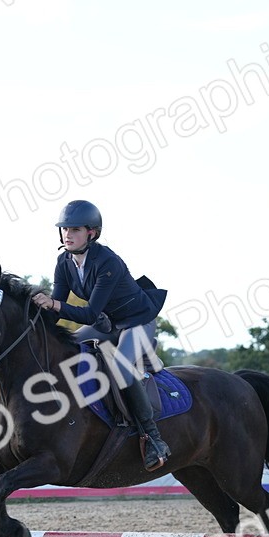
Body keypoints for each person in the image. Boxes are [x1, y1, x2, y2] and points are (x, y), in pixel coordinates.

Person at [32, 200, 171, 471]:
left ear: (92, 233)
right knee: (66, 345)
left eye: (75, 229)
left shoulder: (107, 261)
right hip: (108, 324)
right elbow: (57, 309)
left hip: (137, 321)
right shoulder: (64, 262)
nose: (67, 235)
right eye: (64, 229)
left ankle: (153, 437)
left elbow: (88, 312)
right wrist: (33, 316)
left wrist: (53, 304)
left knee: (120, 366)